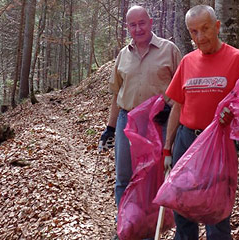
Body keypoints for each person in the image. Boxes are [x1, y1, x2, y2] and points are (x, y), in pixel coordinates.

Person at [162, 5, 239, 240]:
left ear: (217, 26)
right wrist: (167, 148)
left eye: (205, 29)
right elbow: (178, 106)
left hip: (217, 144)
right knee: (182, 208)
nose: (199, 37)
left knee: (216, 212)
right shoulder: (187, 62)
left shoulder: (237, 59)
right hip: (187, 140)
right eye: (193, 32)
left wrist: (234, 113)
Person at [97, 5, 181, 239]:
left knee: (153, 178)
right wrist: (110, 128)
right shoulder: (123, 55)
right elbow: (116, 94)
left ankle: (148, 231)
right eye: (132, 25)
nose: (138, 28)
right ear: (127, 27)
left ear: (150, 22)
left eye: (141, 23)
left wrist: (170, 107)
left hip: (159, 122)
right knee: (124, 177)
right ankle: (125, 228)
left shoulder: (169, 50)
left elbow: (181, 88)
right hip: (128, 121)